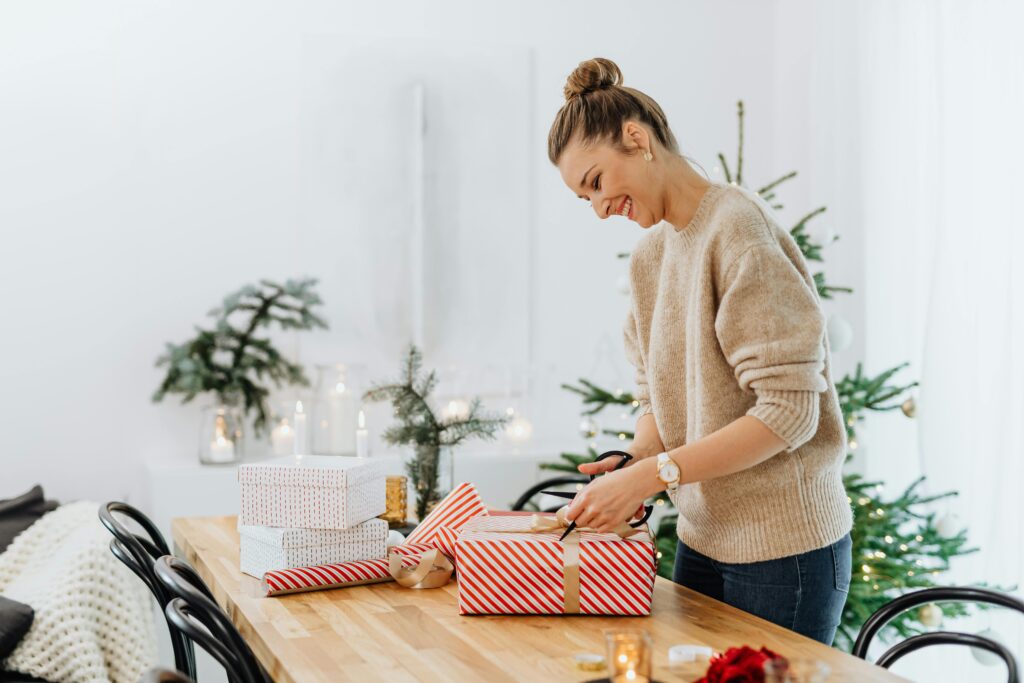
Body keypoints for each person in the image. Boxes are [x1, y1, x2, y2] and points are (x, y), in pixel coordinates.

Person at [547, 57, 853, 645]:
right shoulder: (650, 257)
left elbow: (789, 413)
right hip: (701, 538)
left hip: (786, 551)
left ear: (636, 140)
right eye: (583, 198)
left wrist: (653, 478)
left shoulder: (737, 230)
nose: (598, 207)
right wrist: (638, 460)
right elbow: (654, 391)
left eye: (596, 182)